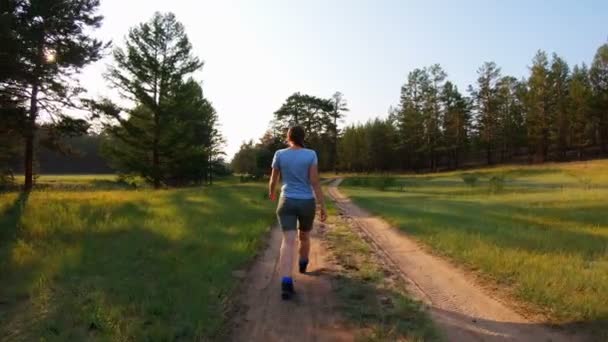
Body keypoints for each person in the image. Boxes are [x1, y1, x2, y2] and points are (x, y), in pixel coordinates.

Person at [268, 125, 327, 300]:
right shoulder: (311, 154)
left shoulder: (279, 154)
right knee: (305, 236)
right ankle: (303, 264)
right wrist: (322, 205)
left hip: (286, 201)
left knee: (288, 240)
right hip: (306, 202)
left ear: (288, 137)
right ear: (303, 137)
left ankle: (286, 282)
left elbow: (274, 179)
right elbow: (314, 181)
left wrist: (272, 193)